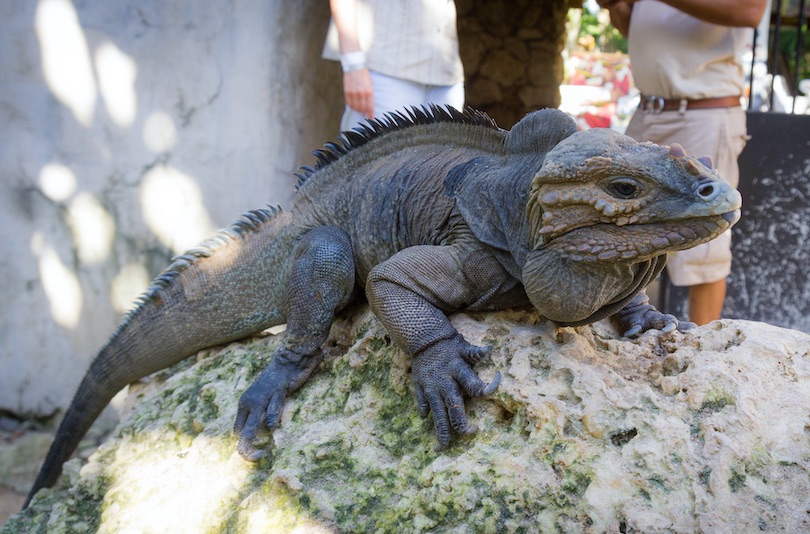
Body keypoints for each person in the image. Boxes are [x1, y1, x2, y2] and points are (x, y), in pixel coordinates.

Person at [597, 0, 768, 325]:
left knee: (704, 249)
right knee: (620, 228)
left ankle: (701, 359)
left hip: (702, 112)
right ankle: (626, 336)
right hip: (647, 110)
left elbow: (750, 11)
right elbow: (636, 31)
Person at [323, 0, 465, 132]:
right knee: (376, 158)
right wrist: (353, 64)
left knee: (443, 158)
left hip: (446, 73)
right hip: (385, 69)